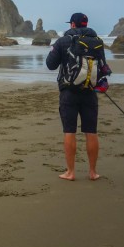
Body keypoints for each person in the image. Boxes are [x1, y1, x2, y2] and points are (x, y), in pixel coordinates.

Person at [46, 12, 111, 181]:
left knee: (69, 131)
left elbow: (50, 65)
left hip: (69, 92)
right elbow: (103, 67)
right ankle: (93, 172)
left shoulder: (63, 41)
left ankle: (70, 172)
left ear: (72, 25)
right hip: (90, 91)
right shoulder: (97, 42)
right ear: (86, 24)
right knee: (91, 131)